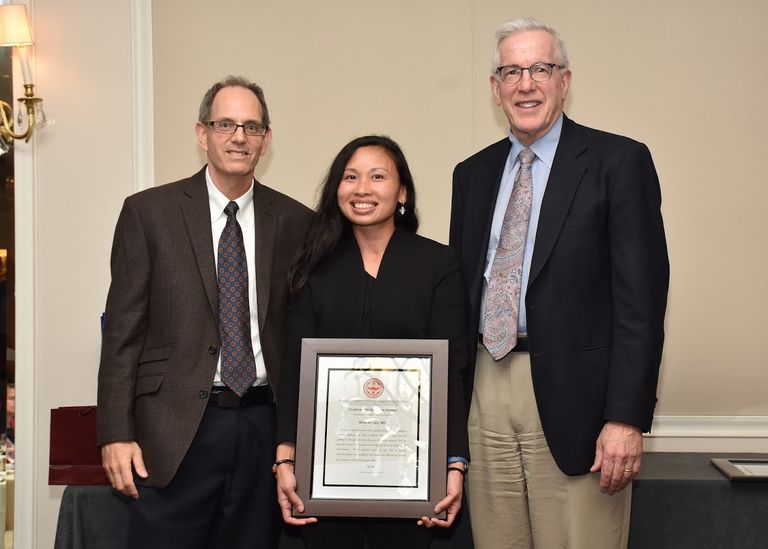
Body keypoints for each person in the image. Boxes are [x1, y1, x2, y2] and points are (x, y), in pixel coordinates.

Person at [449, 18, 669, 549]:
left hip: (582, 401)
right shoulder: (472, 174)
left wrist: (625, 417)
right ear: (495, 88)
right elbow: (458, 295)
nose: (526, 83)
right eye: (511, 71)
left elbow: (642, 302)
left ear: (564, 80)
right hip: (485, 387)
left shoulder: (618, 162)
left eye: (540, 68)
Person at [97, 75, 313, 549]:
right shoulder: (149, 213)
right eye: (225, 124)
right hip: (172, 430)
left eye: (252, 127)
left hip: (262, 426)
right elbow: (122, 335)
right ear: (202, 133)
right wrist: (115, 432)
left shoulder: (297, 222)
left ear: (267, 139)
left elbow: (303, 335)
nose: (239, 137)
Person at [274, 135, 469, 549]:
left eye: (377, 176)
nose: (362, 189)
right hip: (327, 470)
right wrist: (286, 458)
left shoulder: (438, 264)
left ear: (402, 192)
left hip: (411, 471)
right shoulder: (313, 266)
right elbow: (295, 369)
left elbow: (452, 371)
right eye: (350, 177)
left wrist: (453, 463)